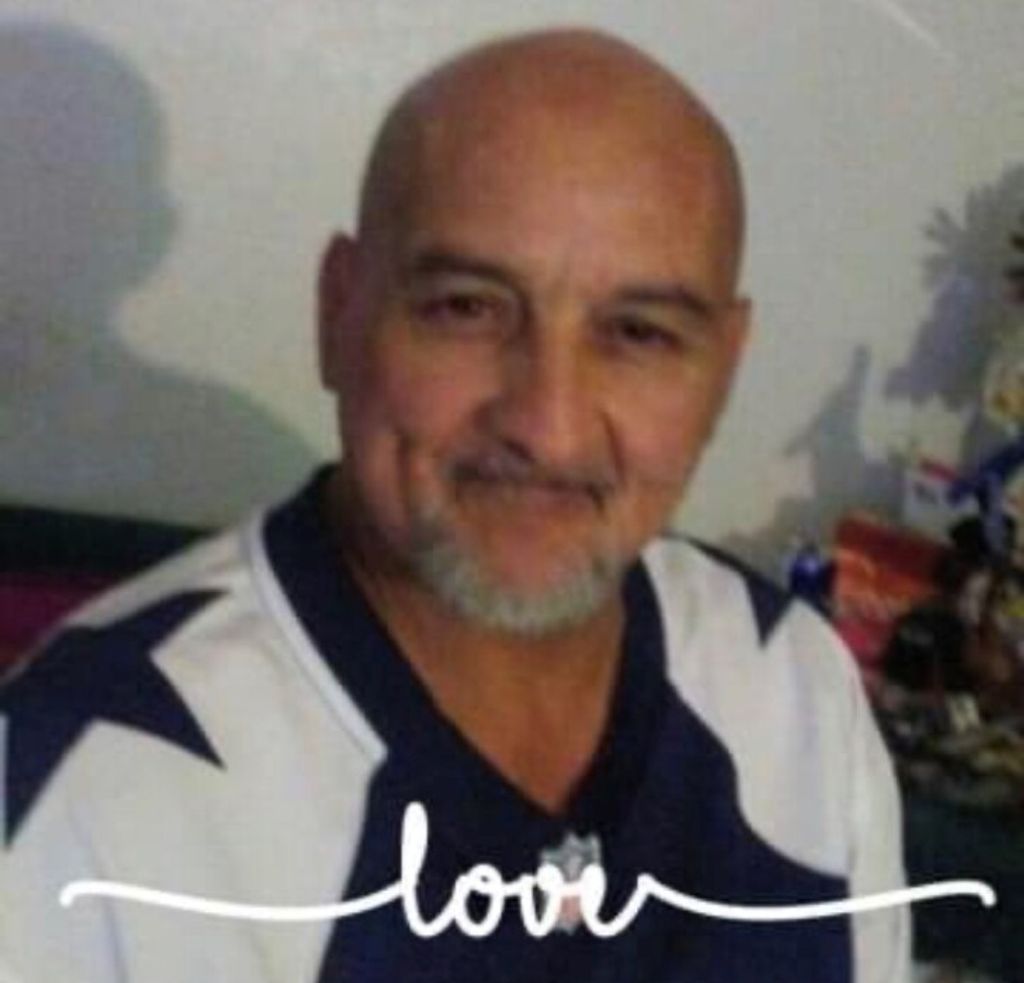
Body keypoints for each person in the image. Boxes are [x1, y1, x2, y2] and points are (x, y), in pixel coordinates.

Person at [0, 28, 909, 982]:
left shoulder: (798, 691)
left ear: (724, 367)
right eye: (466, 308)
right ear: (339, 313)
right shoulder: (87, 785)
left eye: (638, 333)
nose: (548, 428)